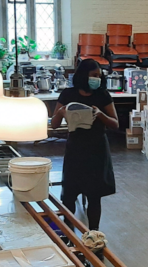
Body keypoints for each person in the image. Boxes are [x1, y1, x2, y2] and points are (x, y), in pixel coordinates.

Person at [51, 58, 118, 229]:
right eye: (93, 75)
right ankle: (69, 234)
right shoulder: (68, 94)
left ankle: (94, 234)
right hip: (76, 148)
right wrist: (60, 112)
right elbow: (54, 124)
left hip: (97, 149)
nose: (97, 78)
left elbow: (115, 124)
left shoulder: (102, 95)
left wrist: (100, 114)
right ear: (83, 75)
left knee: (94, 195)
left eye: (99, 75)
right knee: (69, 195)